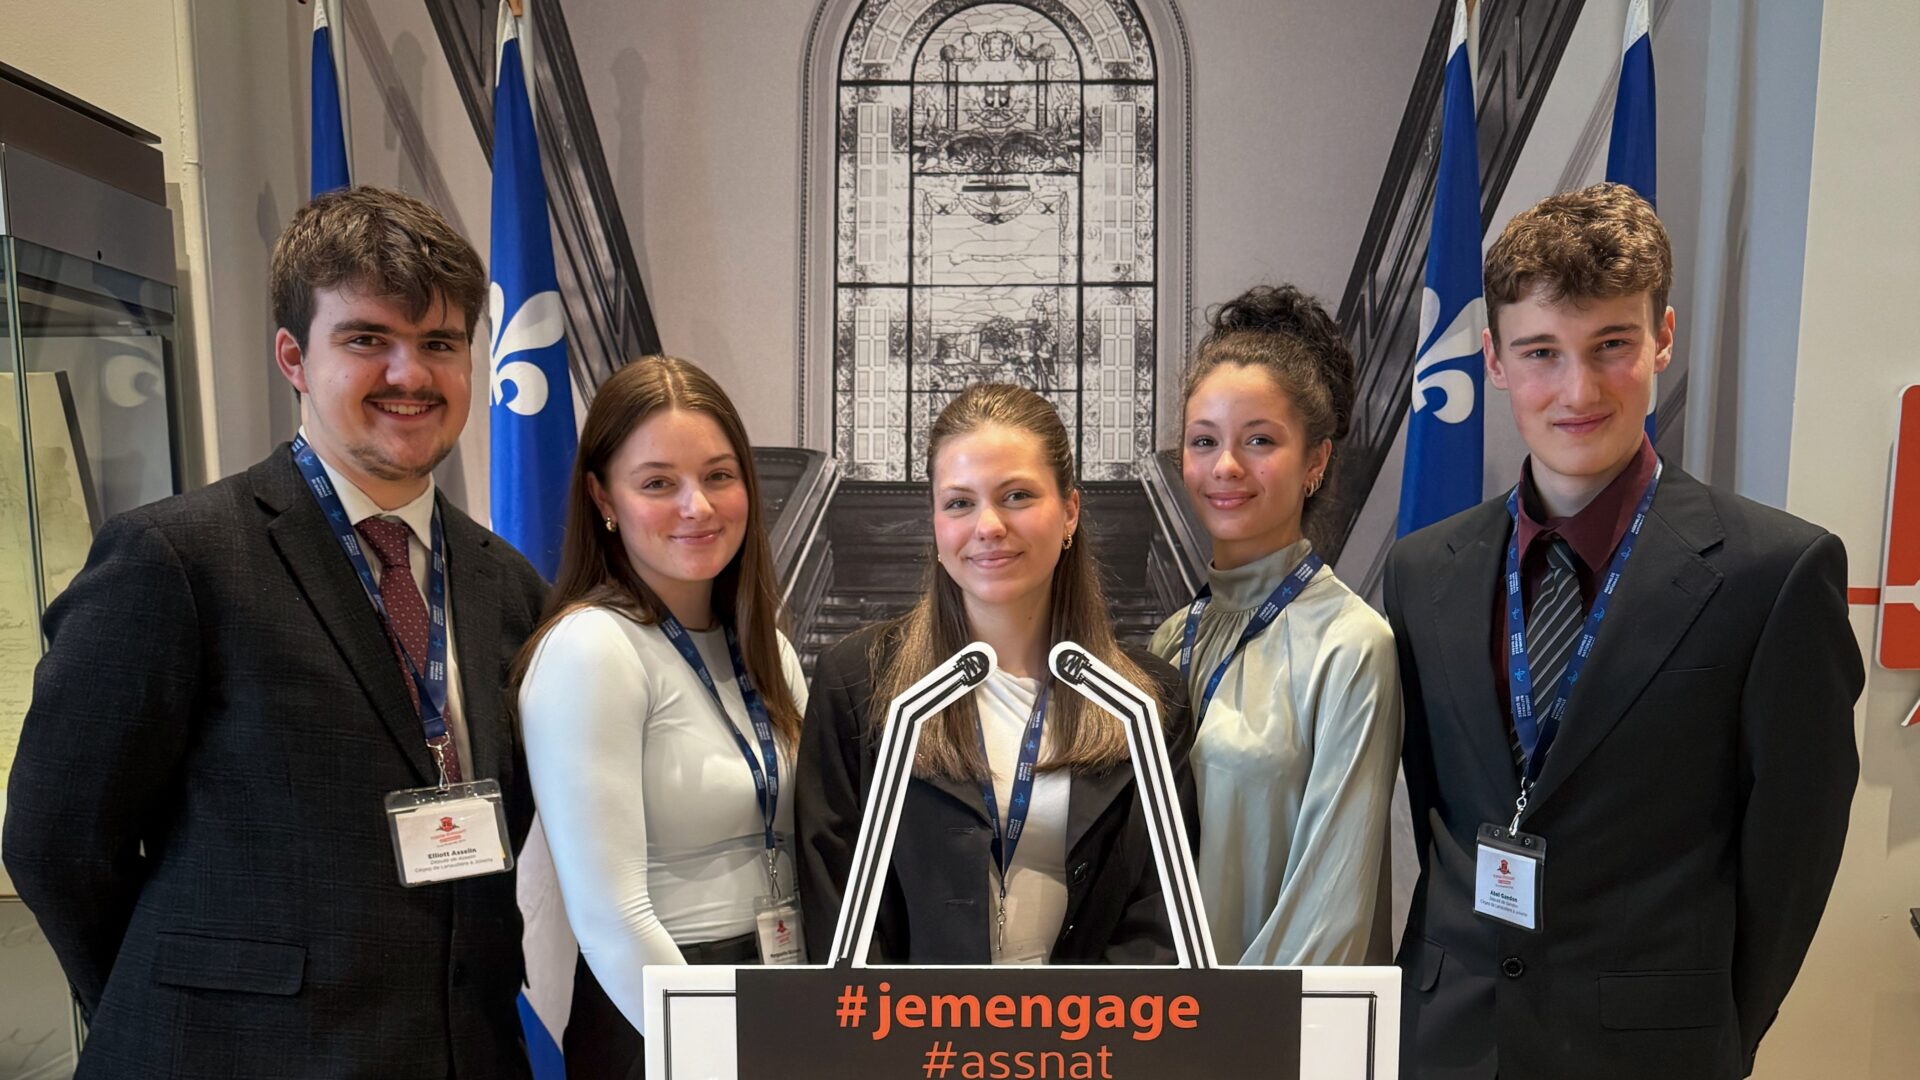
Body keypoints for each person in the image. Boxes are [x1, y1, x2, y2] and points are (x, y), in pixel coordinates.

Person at [3, 187, 548, 1078]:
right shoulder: (176, 560)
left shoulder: (508, 585)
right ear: (293, 356)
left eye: (441, 343)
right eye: (367, 338)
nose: (410, 374)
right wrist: (165, 1006)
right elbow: (56, 840)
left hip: (459, 1051)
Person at [1386, 183, 1862, 1080]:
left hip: (1655, 1050)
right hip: (1451, 1041)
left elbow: (1792, 859)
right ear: (1492, 358)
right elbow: (1438, 811)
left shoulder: (1775, 574)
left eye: (1612, 346)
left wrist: (1713, 1029)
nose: (1577, 390)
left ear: (1663, 339)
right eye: (1540, 352)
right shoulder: (1421, 572)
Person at [797, 383, 1197, 966]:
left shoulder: (1149, 702)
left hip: (1088, 1046)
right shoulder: (856, 684)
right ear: (935, 525)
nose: (987, 525)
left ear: (1070, 512)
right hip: (911, 1042)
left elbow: (1156, 919)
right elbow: (837, 906)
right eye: (959, 502)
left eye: (1016, 496)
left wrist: (1077, 1043)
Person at [513, 356, 808, 1078]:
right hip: (659, 1014)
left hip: (777, 985)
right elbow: (611, 920)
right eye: (657, 484)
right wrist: (714, 1054)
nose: (698, 507)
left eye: (718, 475)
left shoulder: (765, 647)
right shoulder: (591, 649)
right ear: (602, 497)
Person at [1148, 285, 1401, 967]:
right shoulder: (1171, 639)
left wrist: (1229, 1042)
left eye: (1260, 440)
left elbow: (1331, 917)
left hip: (1272, 1044)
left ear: (1315, 462)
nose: (1226, 466)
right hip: (1155, 1030)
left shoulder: (1351, 646)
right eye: (1205, 441)